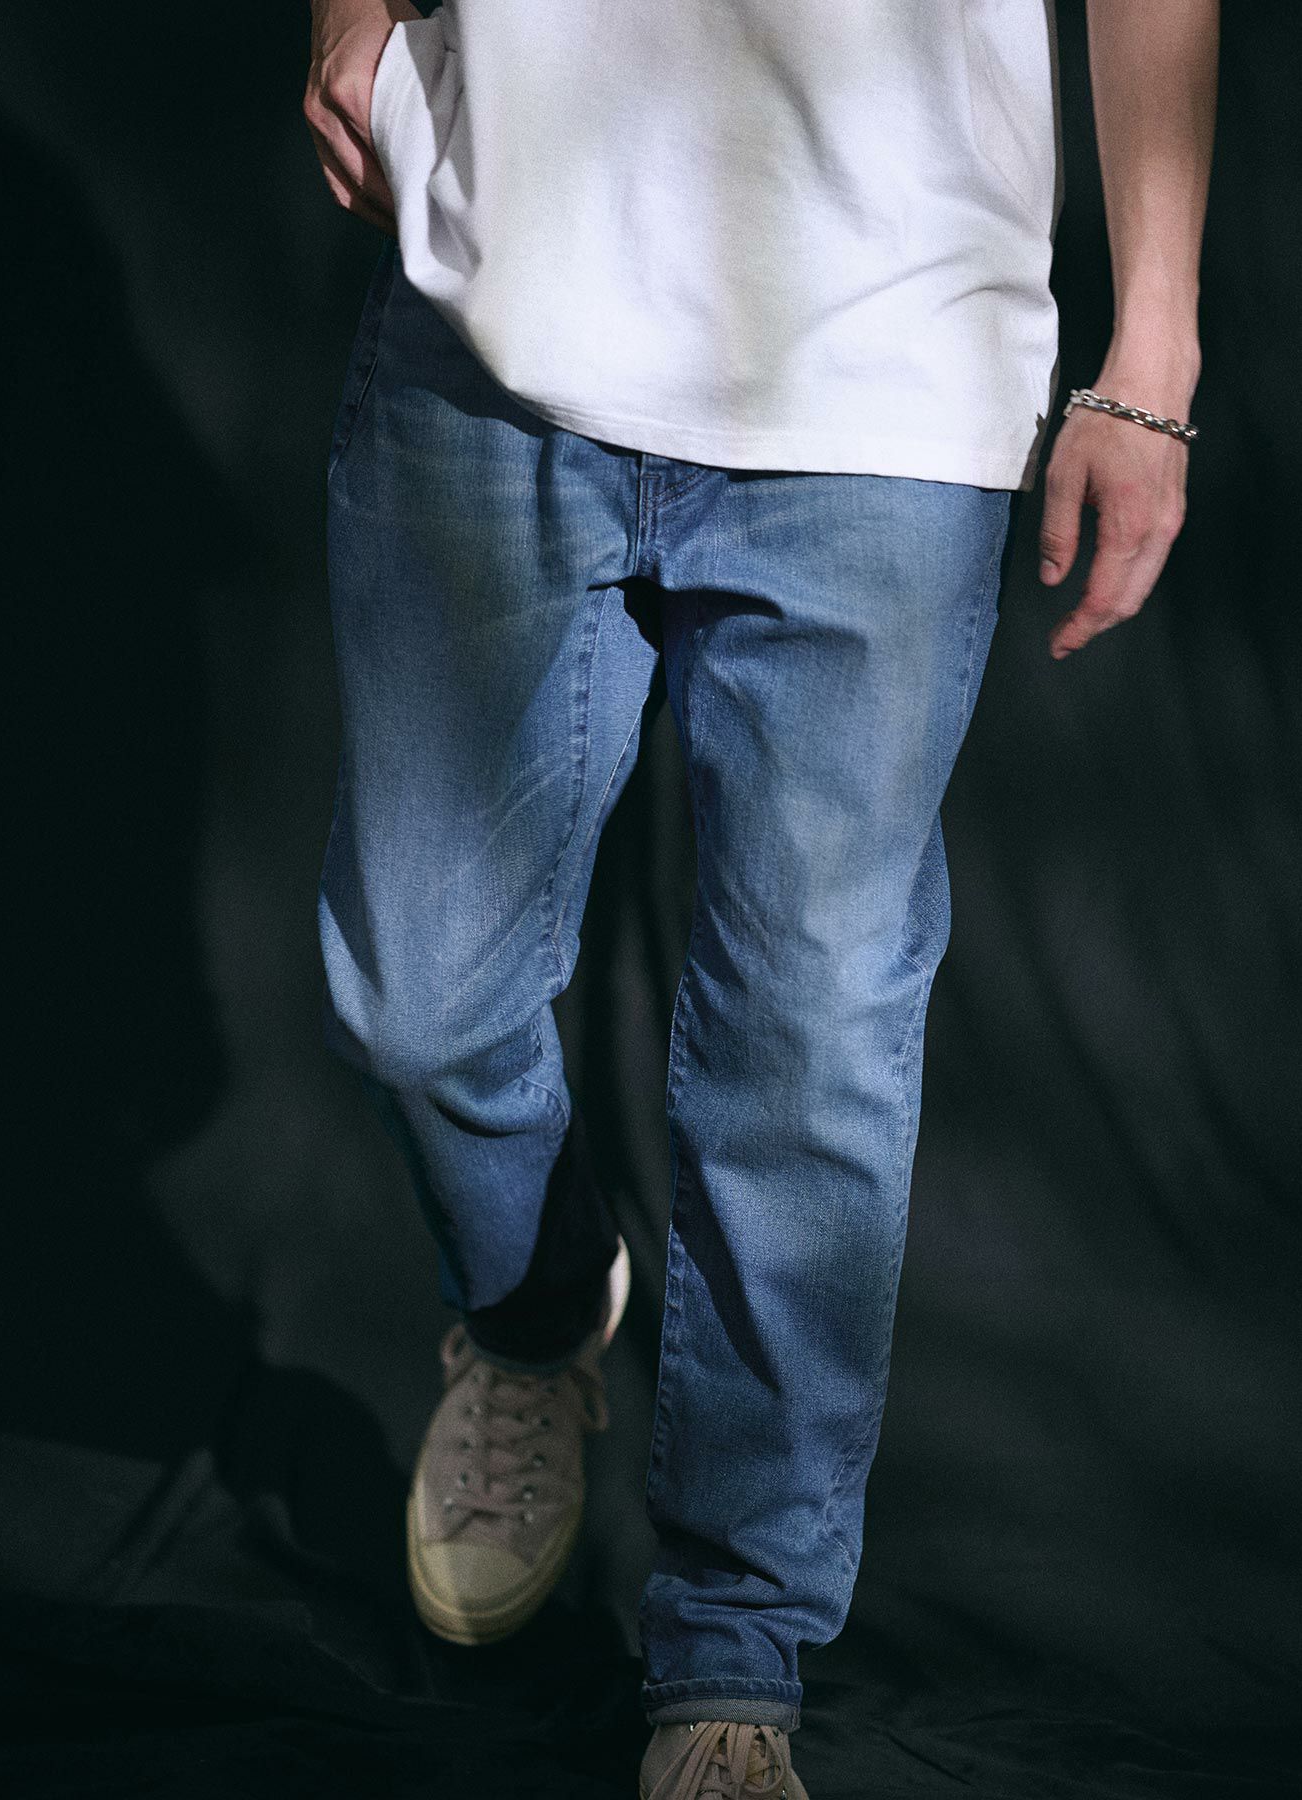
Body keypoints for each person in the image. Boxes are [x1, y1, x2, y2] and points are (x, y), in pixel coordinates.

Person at [305, 1, 1217, 1793]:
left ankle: (732, 1650)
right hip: (496, 313)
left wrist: (1153, 359)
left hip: (887, 360)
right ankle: (538, 1314)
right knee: (413, 992)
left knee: (809, 1052)